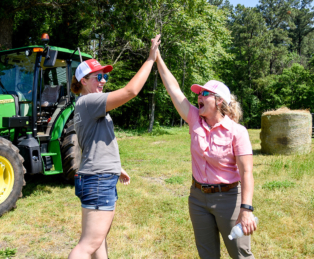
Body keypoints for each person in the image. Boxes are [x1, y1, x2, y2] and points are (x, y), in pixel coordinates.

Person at [156, 50, 257, 258]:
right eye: (198, 94)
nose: (198, 97)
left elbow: (246, 173)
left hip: (229, 199)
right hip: (198, 198)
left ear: (219, 101)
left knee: (240, 253)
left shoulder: (237, 132)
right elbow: (174, 89)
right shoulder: (195, 120)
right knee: (207, 255)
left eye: (204, 94)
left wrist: (246, 209)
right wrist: (157, 57)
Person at [68, 34, 161, 259]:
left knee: (98, 241)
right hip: (98, 179)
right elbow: (131, 92)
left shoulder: (83, 105)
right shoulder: (89, 101)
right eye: (98, 77)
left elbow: (93, 143)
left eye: (104, 77)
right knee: (88, 244)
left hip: (97, 175)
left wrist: (116, 166)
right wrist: (150, 59)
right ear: (83, 81)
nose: (103, 81)